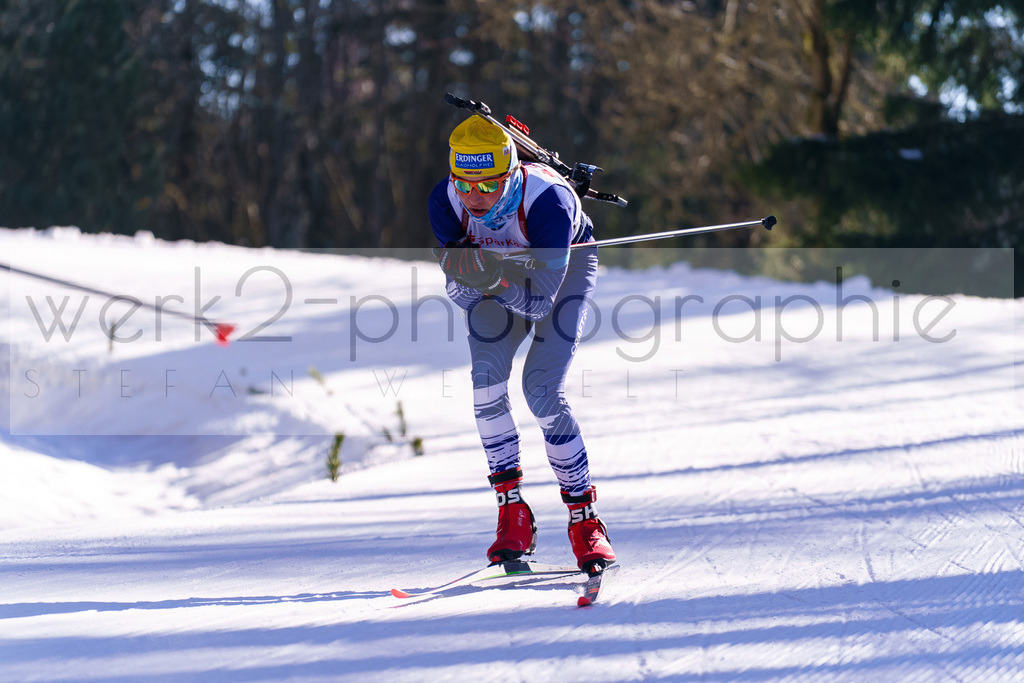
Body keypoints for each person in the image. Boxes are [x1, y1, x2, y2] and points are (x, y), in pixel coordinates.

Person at [427, 114, 616, 575]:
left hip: (562, 269)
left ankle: (584, 520)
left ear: (509, 174)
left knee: (542, 391)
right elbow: (459, 296)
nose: (473, 198)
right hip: (502, 275)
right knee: (486, 383)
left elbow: (536, 305)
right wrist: (474, 277)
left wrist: (490, 274)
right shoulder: (445, 202)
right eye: (464, 183)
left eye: (487, 186)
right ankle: (511, 511)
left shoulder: (549, 202)